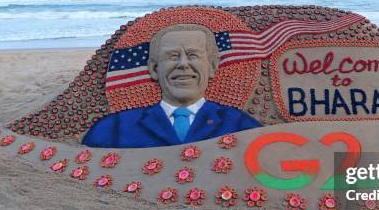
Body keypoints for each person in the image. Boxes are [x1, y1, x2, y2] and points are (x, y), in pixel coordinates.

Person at [83, 24, 262, 148]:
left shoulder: (241, 126)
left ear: (212, 67)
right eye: (172, 56)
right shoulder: (114, 128)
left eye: (193, 55)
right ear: (154, 68)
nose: (183, 64)